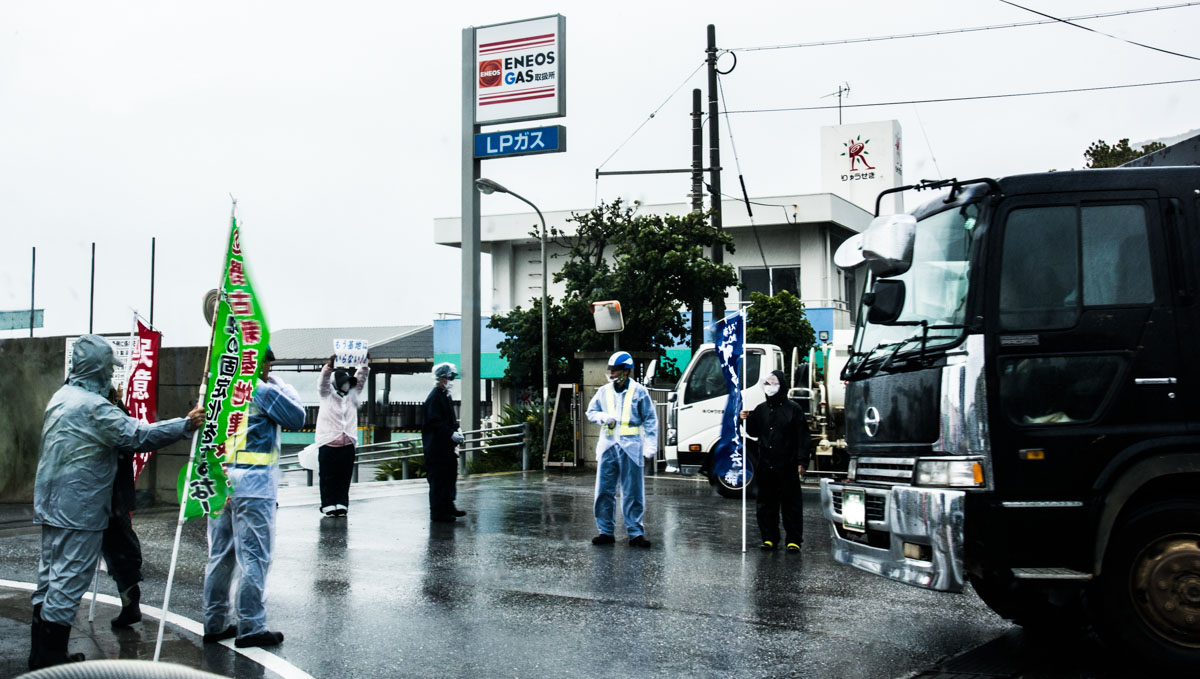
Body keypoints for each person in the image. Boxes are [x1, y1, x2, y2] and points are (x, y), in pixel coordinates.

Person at [29, 334, 202, 670]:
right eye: (109, 368)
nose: (111, 375)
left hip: (51, 504)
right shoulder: (93, 407)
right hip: (78, 508)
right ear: (98, 369)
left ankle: (42, 653)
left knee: (49, 577)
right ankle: (49, 660)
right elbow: (138, 436)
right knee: (68, 581)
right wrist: (185, 424)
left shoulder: (62, 397)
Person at [202, 347, 305, 648]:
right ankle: (251, 626)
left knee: (220, 556)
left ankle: (215, 622)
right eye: (267, 364)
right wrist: (279, 386)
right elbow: (296, 416)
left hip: (220, 484)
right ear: (257, 362)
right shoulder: (259, 389)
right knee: (254, 558)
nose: (268, 370)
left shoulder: (216, 389)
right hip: (254, 487)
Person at [586, 351, 658, 548]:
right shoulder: (604, 391)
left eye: (615, 370)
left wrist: (650, 447)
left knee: (633, 491)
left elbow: (650, 420)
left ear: (627, 371)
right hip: (608, 446)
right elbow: (591, 412)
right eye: (611, 370)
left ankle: (635, 533)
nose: (612, 374)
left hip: (631, 447)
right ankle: (605, 532)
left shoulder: (639, 391)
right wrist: (603, 417)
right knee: (603, 491)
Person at [740, 369, 811, 553]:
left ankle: (793, 539)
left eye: (774, 384)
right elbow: (754, 431)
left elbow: (803, 437)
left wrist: (802, 461)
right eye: (767, 384)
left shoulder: (793, 409)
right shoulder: (761, 409)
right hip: (766, 465)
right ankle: (769, 538)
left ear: (782, 386)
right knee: (766, 504)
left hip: (787, 464)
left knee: (791, 504)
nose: (770, 387)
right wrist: (743, 419)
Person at [100, 386, 148, 629]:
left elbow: (133, 441)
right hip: (109, 496)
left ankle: (130, 601)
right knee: (116, 549)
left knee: (118, 548)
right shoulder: (111, 411)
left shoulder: (112, 415)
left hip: (111, 495)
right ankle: (129, 602)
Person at [315, 354, 368, 517]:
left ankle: (342, 503)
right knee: (327, 476)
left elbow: (361, 379)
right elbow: (323, 382)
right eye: (344, 383)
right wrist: (328, 366)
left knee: (344, 476)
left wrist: (364, 363)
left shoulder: (352, 395)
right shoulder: (326, 394)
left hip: (347, 443)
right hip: (328, 442)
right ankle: (328, 504)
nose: (347, 386)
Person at [422, 363, 465, 522]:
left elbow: (450, 419)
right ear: (440, 378)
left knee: (448, 477)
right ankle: (438, 512)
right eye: (448, 377)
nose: (450, 380)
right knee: (438, 480)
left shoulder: (445, 395)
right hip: (436, 448)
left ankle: (448, 506)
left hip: (446, 447)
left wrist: (457, 430)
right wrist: (451, 433)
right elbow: (435, 422)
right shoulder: (434, 398)